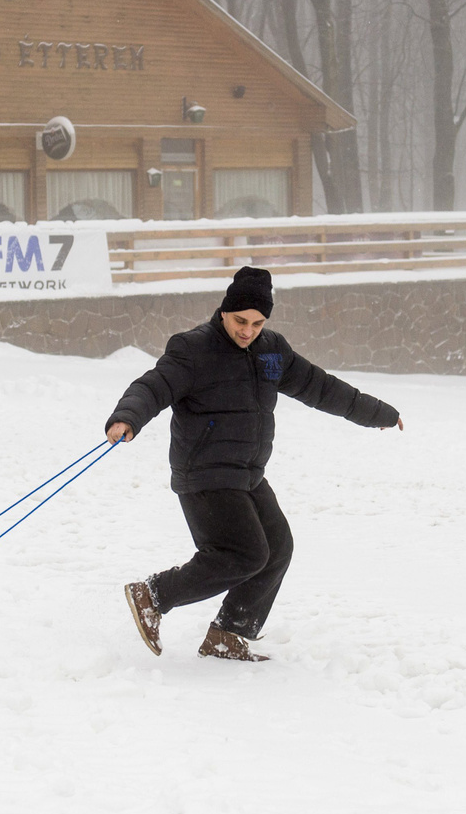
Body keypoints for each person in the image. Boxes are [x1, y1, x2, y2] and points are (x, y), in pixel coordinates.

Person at [105, 266, 402, 661]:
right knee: (244, 554)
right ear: (224, 311)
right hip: (204, 473)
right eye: (240, 321)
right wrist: (129, 416)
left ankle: (228, 633)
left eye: (257, 323)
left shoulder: (271, 351)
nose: (248, 331)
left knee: (277, 548)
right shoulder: (193, 349)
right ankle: (152, 595)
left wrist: (375, 412)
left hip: (247, 473)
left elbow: (320, 387)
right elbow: (154, 385)